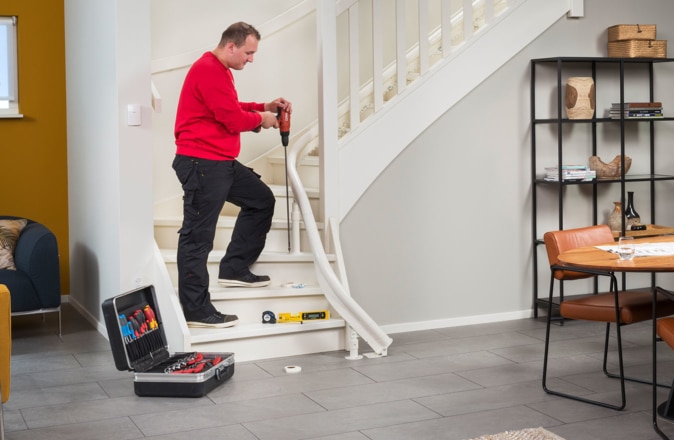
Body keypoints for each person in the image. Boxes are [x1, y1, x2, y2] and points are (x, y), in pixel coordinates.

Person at [173, 22, 291, 328]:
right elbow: (229, 117)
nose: (250, 59)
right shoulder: (208, 69)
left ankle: (235, 268)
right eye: (248, 53)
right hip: (201, 162)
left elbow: (227, 106)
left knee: (261, 200)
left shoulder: (218, 70)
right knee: (197, 238)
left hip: (219, 161)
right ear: (231, 47)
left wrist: (263, 107)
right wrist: (261, 119)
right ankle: (196, 310)